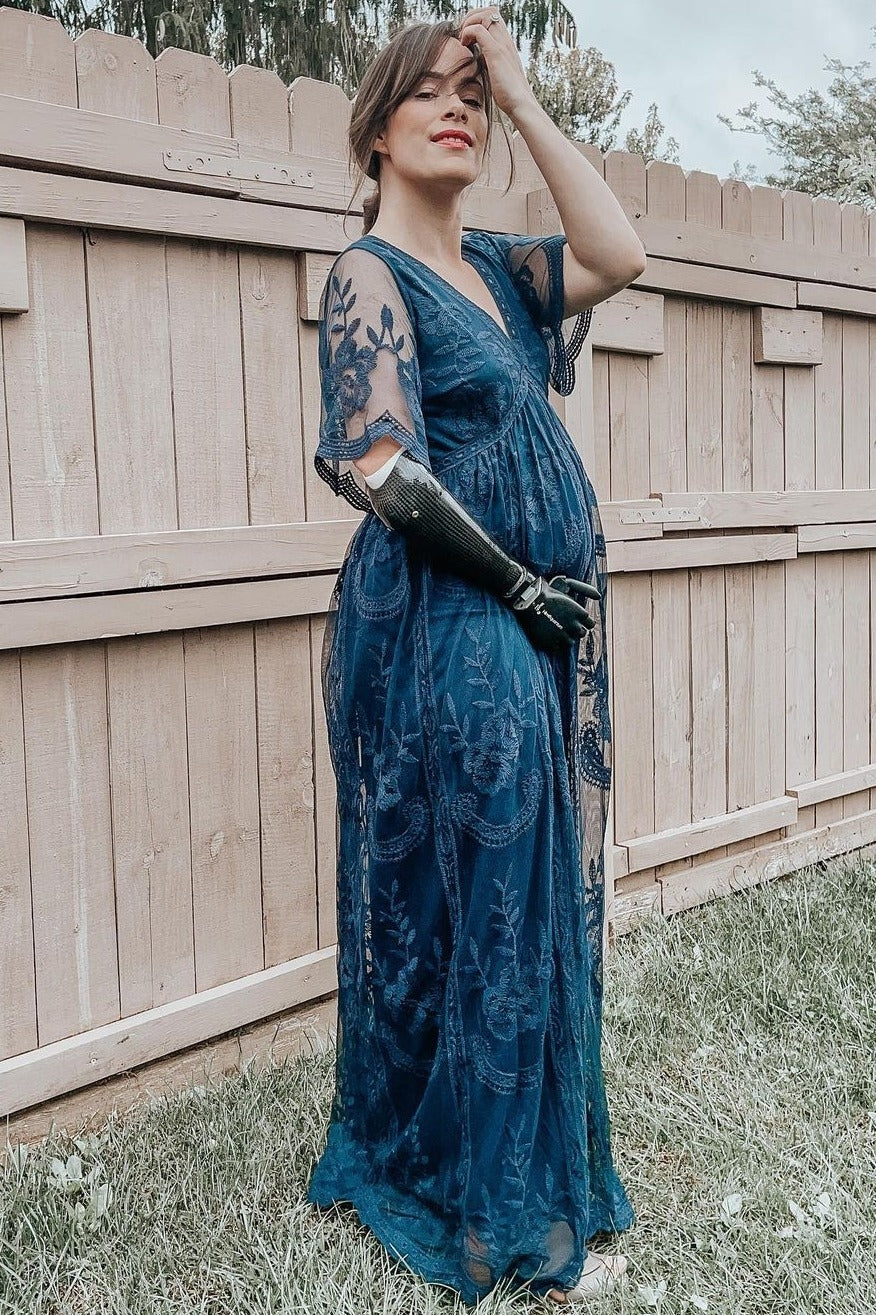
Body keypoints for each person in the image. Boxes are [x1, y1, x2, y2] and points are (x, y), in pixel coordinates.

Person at [306, 9, 647, 1306]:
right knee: (486, 895)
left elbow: (618, 252)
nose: (459, 109)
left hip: (525, 619)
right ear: (376, 132)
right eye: (431, 93)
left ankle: (501, 1170)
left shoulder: (500, 272)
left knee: (520, 890)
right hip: (451, 619)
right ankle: (493, 1209)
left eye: (473, 96)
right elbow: (381, 465)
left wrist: (523, 87)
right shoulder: (368, 275)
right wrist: (515, 583)